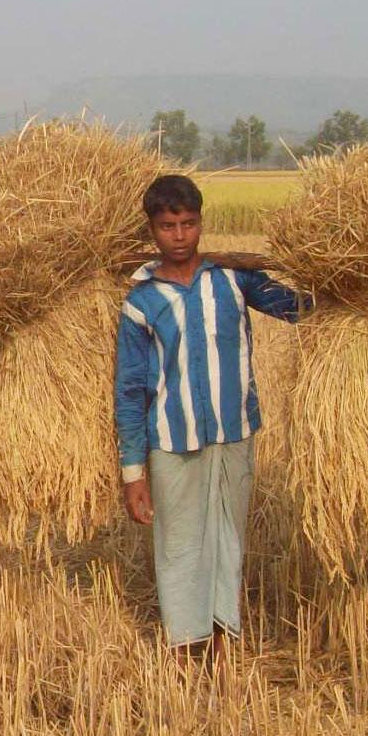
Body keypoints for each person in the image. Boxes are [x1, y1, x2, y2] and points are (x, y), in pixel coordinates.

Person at [112, 175, 307, 660]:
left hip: (234, 431)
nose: (179, 236)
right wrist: (132, 473)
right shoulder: (141, 302)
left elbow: (298, 309)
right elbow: (130, 389)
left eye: (189, 224)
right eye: (167, 226)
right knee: (179, 544)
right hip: (171, 440)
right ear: (152, 231)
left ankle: (223, 640)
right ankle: (184, 645)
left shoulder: (233, 280)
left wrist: (341, 276)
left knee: (227, 538)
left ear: (201, 223)